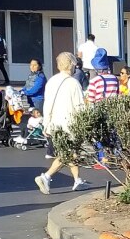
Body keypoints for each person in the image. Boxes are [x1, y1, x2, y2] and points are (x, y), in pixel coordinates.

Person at [35, 51, 90, 194]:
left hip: (53, 123)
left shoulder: (52, 81)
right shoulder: (73, 83)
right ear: (71, 65)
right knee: (68, 153)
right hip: (69, 123)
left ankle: (77, 180)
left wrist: (46, 123)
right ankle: (46, 177)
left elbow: (47, 104)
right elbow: (80, 107)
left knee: (71, 153)